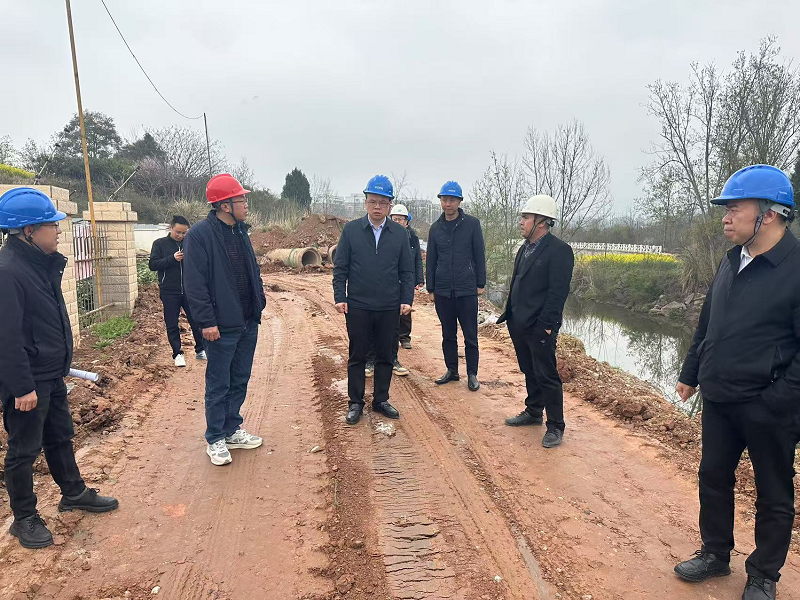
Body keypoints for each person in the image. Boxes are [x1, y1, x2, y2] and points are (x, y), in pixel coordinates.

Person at [673, 165, 799, 600]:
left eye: (734, 209)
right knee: (713, 477)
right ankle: (715, 552)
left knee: (774, 494)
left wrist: (776, 402)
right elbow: (708, 324)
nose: (725, 218)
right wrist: (691, 373)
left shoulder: (796, 268)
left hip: (770, 407)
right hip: (720, 398)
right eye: (725, 210)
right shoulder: (732, 261)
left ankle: (763, 575)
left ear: (769, 214)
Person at [0, 187, 118, 549]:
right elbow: (5, 338)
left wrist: (59, 363)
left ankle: (73, 492)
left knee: (60, 436)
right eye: (52, 224)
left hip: (50, 373)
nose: (59, 230)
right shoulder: (8, 271)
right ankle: (24, 518)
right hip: (28, 380)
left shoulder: (39, 263)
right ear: (29, 231)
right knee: (24, 450)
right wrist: (22, 387)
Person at [184, 174, 266, 466]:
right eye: (241, 199)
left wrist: (259, 301)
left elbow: (252, 270)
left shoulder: (241, 231)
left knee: (240, 378)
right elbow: (195, 284)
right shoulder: (200, 236)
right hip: (220, 326)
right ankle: (215, 437)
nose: (246, 204)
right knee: (219, 383)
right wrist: (207, 322)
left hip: (247, 321)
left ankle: (232, 429)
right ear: (224, 205)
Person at [333, 175, 414, 425]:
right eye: (372, 201)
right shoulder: (351, 231)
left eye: (382, 202)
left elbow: (407, 271)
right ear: (365, 202)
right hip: (358, 304)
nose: (377, 206)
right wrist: (340, 296)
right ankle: (355, 402)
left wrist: (406, 299)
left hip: (389, 306)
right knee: (357, 356)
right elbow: (341, 267)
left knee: (385, 355)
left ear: (390, 204)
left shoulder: (399, 234)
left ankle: (380, 399)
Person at [498, 195, 574, 448]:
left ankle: (555, 426)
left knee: (546, 374)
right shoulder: (524, 248)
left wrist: (547, 325)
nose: (521, 222)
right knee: (529, 369)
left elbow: (558, 292)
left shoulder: (559, 251)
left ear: (541, 221)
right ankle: (533, 412)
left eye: (526, 217)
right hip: (519, 322)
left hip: (540, 326)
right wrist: (510, 314)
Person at [426, 181, 486, 391]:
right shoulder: (436, 228)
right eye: (444, 200)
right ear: (440, 201)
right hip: (443, 290)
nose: (448, 204)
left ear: (459, 202)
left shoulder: (472, 225)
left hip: (466, 289)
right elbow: (431, 260)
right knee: (448, 334)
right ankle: (452, 370)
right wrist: (431, 288)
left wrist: (480, 282)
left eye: (452, 200)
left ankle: (472, 374)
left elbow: (479, 255)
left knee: (470, 334)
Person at [364, 204, 424, 378]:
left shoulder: (411, 238)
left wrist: (417, 281)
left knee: (394, 326)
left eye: (400, 219)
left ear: (407, 222)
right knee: (373, 324)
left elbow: (414, 263)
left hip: (399, 286)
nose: (397, 222)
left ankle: (393, 359)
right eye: (395, 219)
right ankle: (370, 360)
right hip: (380, 286)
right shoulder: (382, 235)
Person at [149, 215, 205, 367]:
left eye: (184, 233)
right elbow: (153, 264)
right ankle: (177, 354)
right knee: (172, 323)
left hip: (189, 290)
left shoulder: (190, 243)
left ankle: (201, 349)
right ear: (171, 228)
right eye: (178, 232)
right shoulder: (160, 244)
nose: (181, 235)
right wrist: (172, 259)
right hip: (169, 290)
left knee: (196, 320)